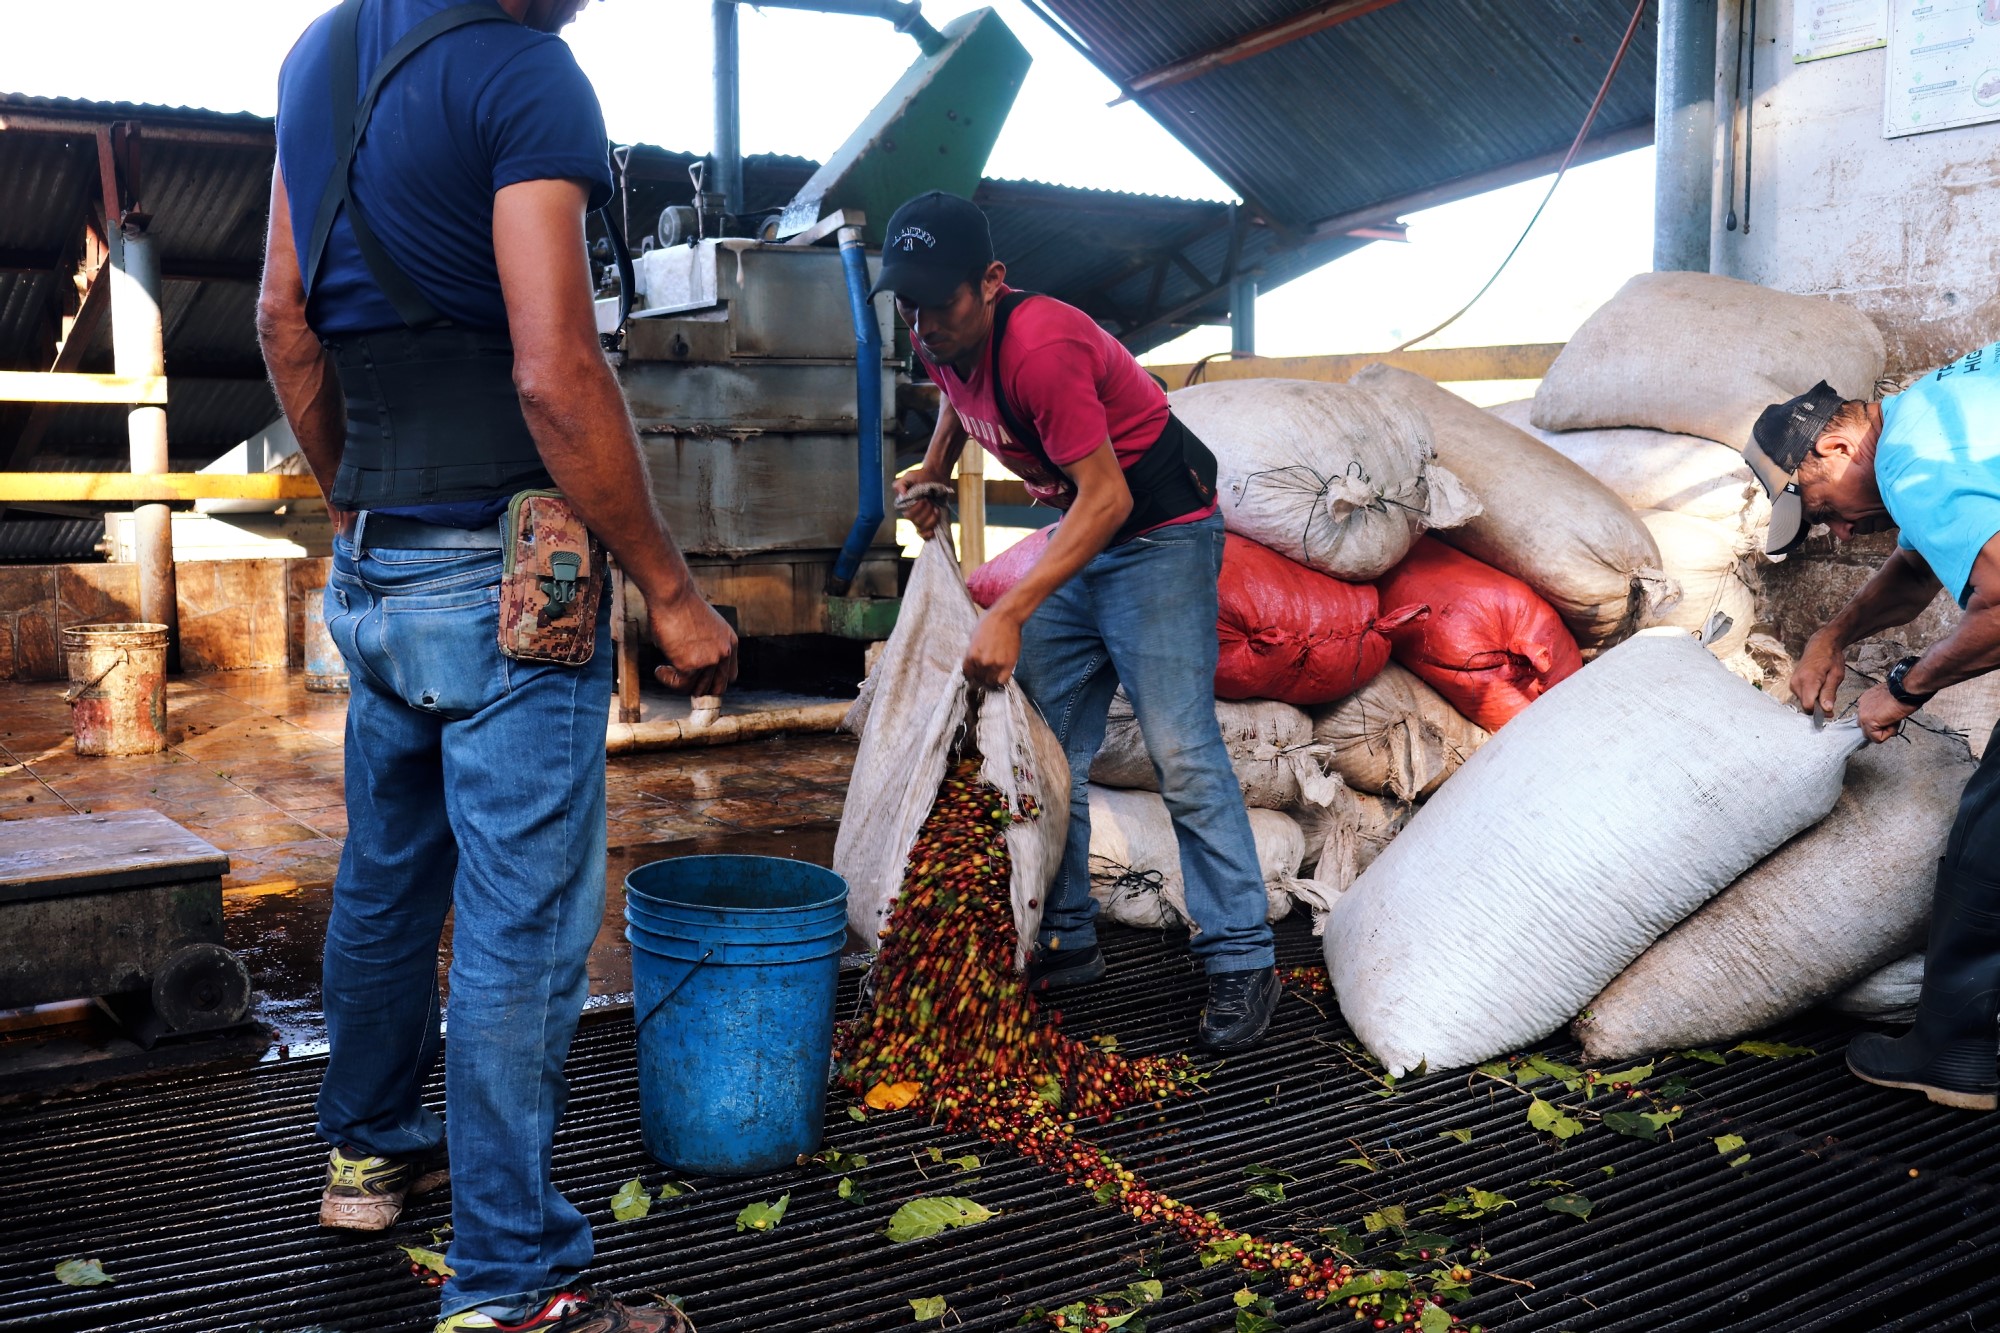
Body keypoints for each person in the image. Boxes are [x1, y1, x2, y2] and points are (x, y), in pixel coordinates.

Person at [258, 0, 734, 1328]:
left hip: (379, 558)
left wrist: (349, 504)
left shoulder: (320, 54)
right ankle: (514, 1283)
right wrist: (673, 589)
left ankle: (362, 1154)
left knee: (388, 874)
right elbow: (553, 372)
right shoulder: (527, 73)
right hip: (512, 573)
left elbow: (283, 320)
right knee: (524, 935)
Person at [881, 191, 1280, 1055]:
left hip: (1157, 533)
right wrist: (939, 467)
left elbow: (1112, 497)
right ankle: (1063, 936)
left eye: (939, 302)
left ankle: (1243, 957)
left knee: (1180, 748)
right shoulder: (932, 328)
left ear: (991, 282)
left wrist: (1013, 610)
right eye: (907, 302)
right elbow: (956, 388)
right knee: (1043, 741)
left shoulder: (1043, 346)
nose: (922, 322)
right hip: (1085, 529)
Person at [1748, 357, 2000, 1111]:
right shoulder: (1942, 410)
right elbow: (1921, 563)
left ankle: (1953, 1048)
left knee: (1990, 825)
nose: (1839, 528)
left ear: (1831, 448)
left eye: (1821, 507)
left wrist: (1904, 688)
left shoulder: (1911, 453)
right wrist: (1836, 632)